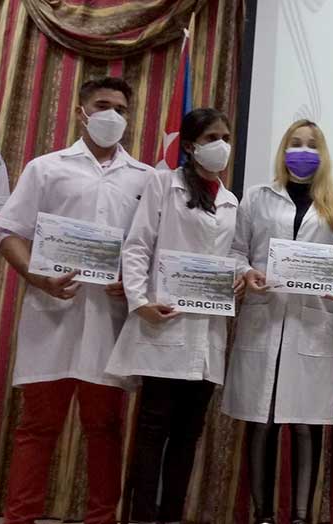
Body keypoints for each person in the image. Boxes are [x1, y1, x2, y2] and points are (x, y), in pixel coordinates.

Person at [0, 77, 151, 524]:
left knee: (104, 430)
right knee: (37, 428)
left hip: (109, 322)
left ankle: (101, 517)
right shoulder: (45, 168)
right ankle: (19, 517)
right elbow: (8, 233)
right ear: (81, 111)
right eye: (102, 105)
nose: (112, 115)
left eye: (121, 108)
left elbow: (150, 250)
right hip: (51, 318)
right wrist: (36, 276)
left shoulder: (145, 178)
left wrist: (133, 281)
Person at [223, 120, 333, 523]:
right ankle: (263, 516)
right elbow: (237, 251)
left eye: (311, 145)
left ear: (323, 155)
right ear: (284, 149)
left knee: (306, 425)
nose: (303, 151)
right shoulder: (257, 197)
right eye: (295, 143)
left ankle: (302, 517)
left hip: (314, 325)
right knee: (262, 422)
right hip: (264, 321)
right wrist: (246, 273)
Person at [105, 108, 242, 523]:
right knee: (152, 431)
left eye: (225, 135)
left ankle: (171, 516)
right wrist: (139, 299)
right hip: (163, 322)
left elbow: (230, 254)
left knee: (187, 436)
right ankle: (142, 516)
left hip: (206, 334)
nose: (221, 144)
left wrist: (237, 274)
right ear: (189, 145)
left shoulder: (230, 199)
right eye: (211, 136)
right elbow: (138, 245)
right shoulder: (164, 183)